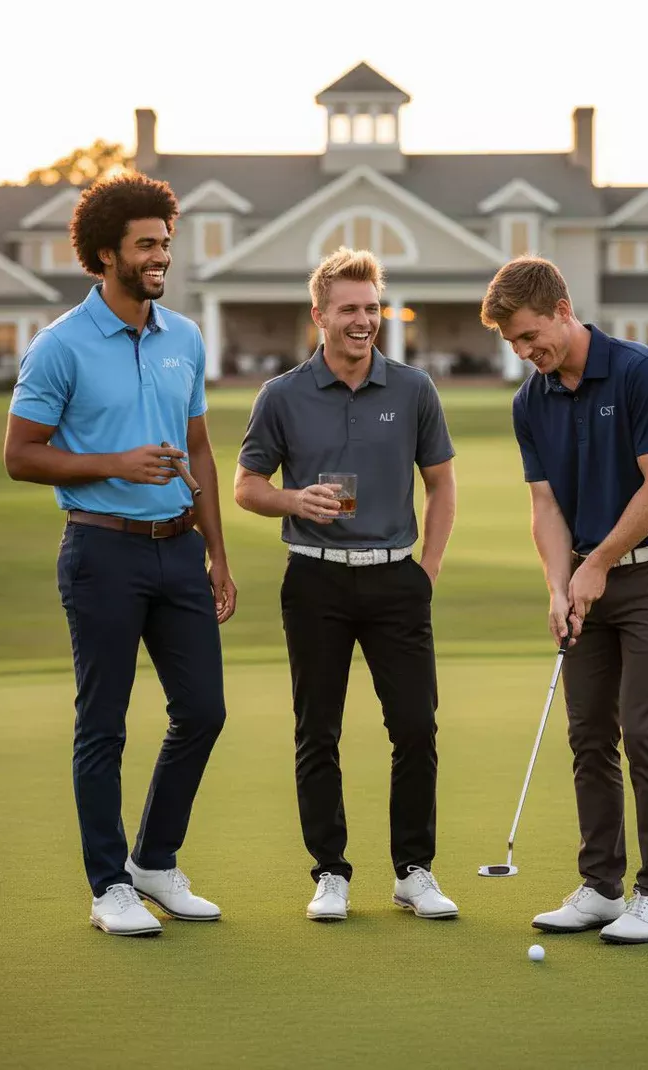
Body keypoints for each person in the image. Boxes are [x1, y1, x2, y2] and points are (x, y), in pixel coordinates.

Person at [4, 174, 236, 937]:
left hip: (178, 551)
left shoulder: (185, 337)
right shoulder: (60, 345)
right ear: (106, 254)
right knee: (103, 724)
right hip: (100, 551)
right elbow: (20, 454)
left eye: (165, 242)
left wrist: (218, 554)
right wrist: (114, 463)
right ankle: (109, 886)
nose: (161, 256)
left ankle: (154, 863)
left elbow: (200, 449)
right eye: (146, 245)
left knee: (203, 710)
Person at [234, 248, 458, 921]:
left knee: (415, 727)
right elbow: (246, 486)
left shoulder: (414, 389)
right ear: (320, 315)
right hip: (315, 581)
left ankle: (414, 871)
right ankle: (330, 873)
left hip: (396, 580)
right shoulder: (282, 395)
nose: (363, 320)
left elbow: (441, 483)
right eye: (349, 309)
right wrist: (293, 500)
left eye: (372, 308)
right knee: (317, 731)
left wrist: (427, 570)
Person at [481, 257, 648, 944]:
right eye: (512, 342)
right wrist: (558, 584)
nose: (524, 351)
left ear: (562, 309)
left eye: (529, 335)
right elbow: (545, 504)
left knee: (646, 732)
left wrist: (598, 562)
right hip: (583, 585)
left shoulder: (639, 371)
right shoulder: (530, 401)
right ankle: (602, 888)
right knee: (589, 736)